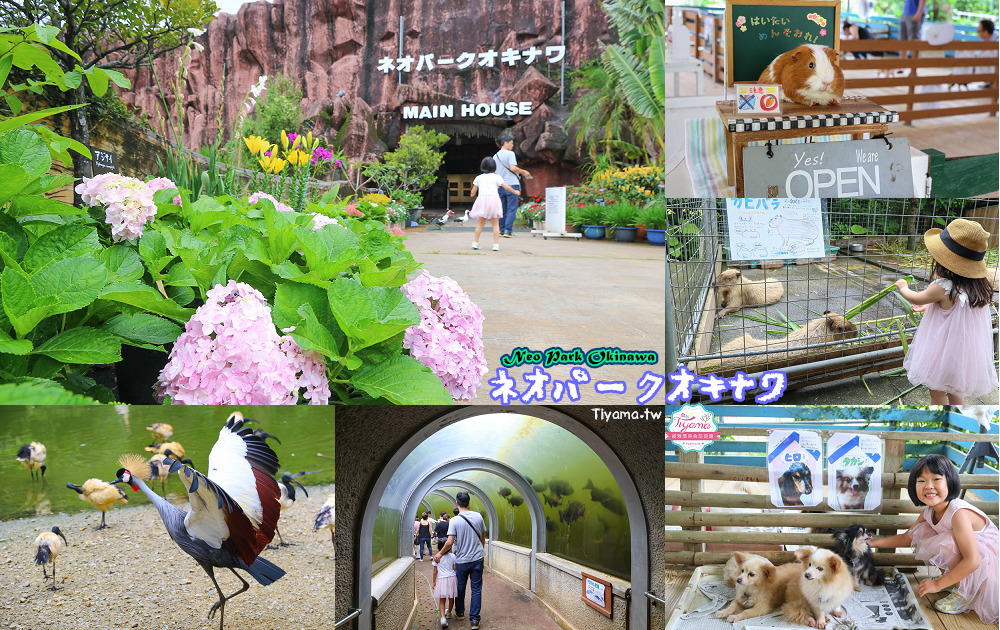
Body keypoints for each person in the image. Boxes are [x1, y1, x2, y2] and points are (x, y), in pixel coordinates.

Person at [870, 455, 998, 623]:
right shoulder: (929, 512)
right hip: (971, 560)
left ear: (950, 482)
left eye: (936, 479)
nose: (928, 486)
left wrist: (938, 584)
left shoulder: (958, 513)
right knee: (928, 533)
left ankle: (966, 593)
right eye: (921, 481)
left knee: (947, 541)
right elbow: (907, 537)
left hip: (989, 563)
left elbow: (973, 561)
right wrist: (871, 543)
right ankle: (956, 581)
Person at [894, 218, 997, 404]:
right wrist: (930, 305)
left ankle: (940, 418)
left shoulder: (943, 286)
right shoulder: (977, 286)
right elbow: (957, 308)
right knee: (956, 391)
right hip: (963, 353)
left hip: (941, 351)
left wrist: (903, 287)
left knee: (938, 393)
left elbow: (916, 297)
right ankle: (957, 418)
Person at [434, 492, 486, 630]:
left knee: (460, 587)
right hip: (477, 559)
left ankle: (460, 612)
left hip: (462, 560)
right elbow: (482, 538)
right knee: (476, 589)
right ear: (469, 503)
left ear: (457, 503)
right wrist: (478, 552)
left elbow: (450, 542)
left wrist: (440, 553)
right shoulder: (478, 516)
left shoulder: (454, 520)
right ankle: (474, 620)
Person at [470, 156, 520, 252]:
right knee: (495, 223)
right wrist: (515, 191)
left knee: (480, 223)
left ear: (482, 166)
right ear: (494, 167)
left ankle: (475, 242)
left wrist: (472, 194)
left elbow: (473, 192)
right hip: (493, 200)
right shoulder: (497, 177)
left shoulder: (479, 178)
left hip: (482, 200)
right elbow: (506, 187)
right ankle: (496, 244)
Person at [493, 134, 533, 238]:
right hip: (511, 184)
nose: (512, 145)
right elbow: (513, 168)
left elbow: (494, 172)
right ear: (505, 143)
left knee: (502, 209)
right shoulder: (510, 154)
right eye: (511, 143)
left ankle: (501, 230)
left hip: (500, 185)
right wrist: (524, 172)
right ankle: (508, 231)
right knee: (512, 209)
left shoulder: (495, 156)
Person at [432, 538, 458, 628]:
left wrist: (434, 582)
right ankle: (449, 612)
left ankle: (443, 618)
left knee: (442, 600)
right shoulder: (453, 556)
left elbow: (435, 571)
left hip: (441, 579)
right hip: (452, 578)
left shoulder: (436, 557)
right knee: (451, 597)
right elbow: (455, 568)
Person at [898, 0, 926, 68]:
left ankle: (914, 68)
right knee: (902, 41)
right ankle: (902, 66)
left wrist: (919, 13)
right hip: (905, 13)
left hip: (915, 13)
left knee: (914, 41)